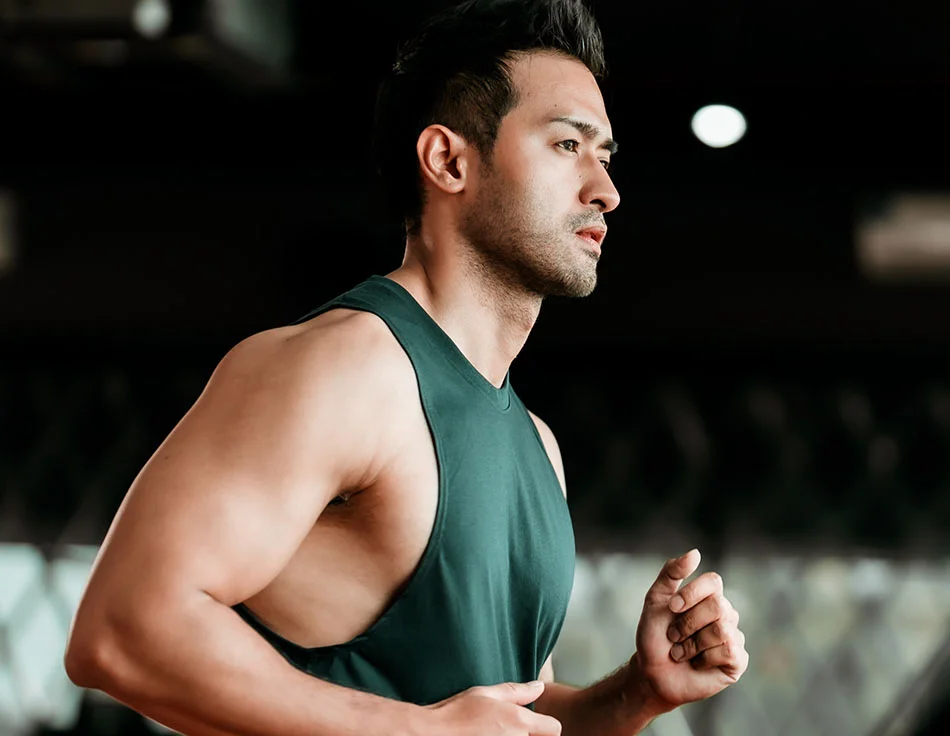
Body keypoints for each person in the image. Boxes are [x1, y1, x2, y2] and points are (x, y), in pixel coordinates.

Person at [64, 0, 749, 734]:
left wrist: (634, 694)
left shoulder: (537, 446)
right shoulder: (345, 368)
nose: (605, 191)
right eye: (565, 146)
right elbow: (121, 630)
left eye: (604, 156)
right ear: (449, 161)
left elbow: (496, 715)